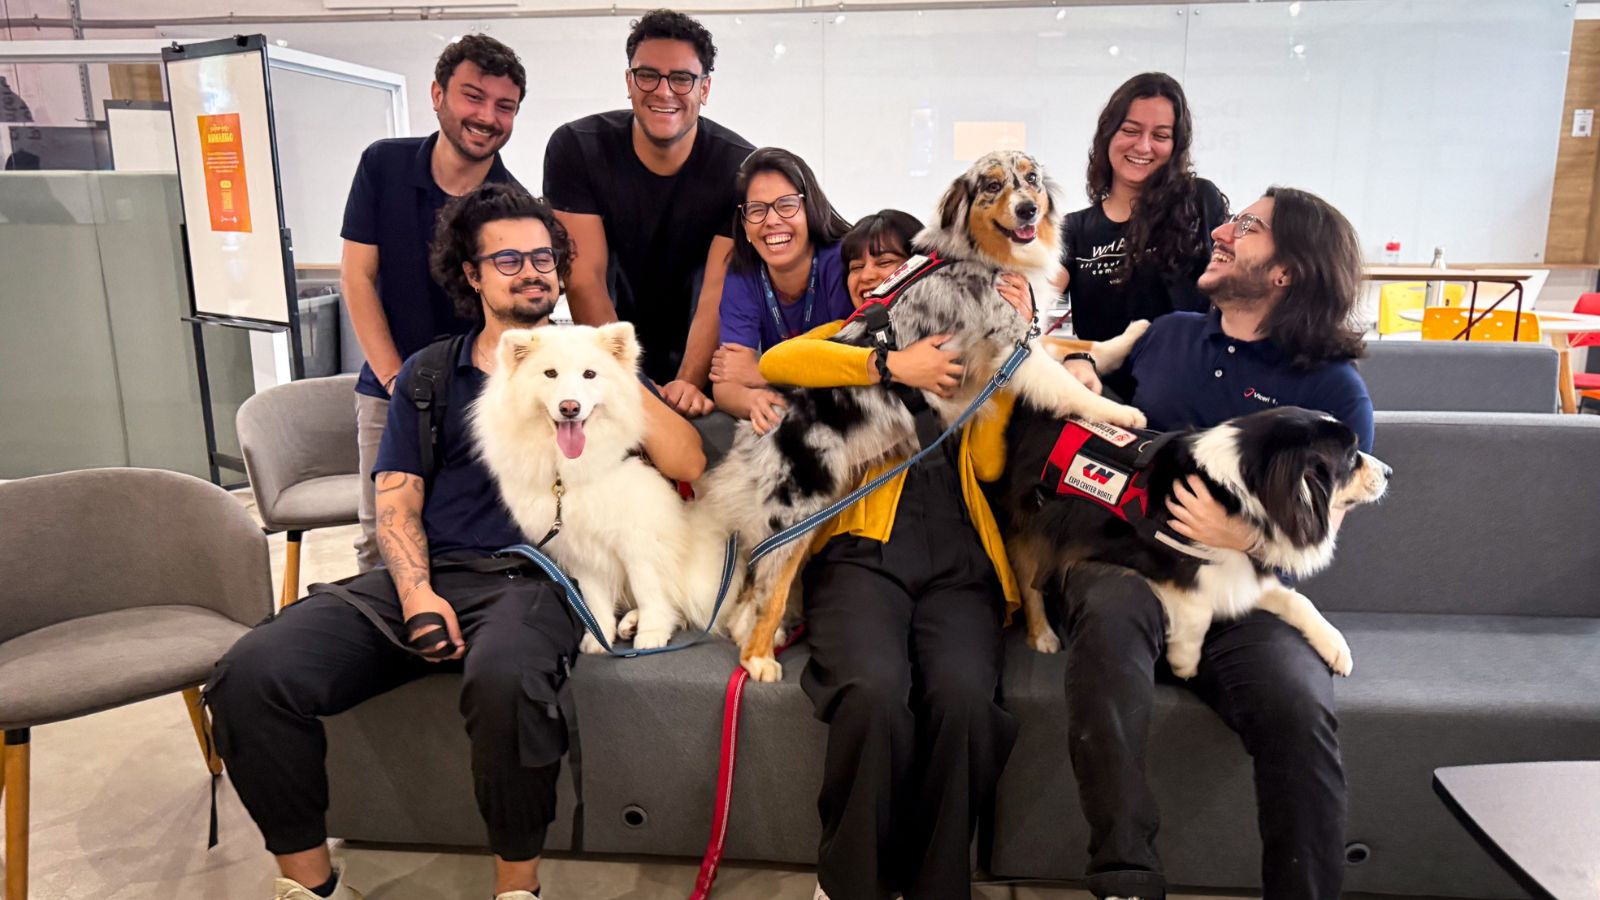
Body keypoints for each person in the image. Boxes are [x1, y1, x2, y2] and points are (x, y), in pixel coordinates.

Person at [208, 184, 706, 900]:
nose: (530, 271)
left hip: (534, 581)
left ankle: (516, 889)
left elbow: (688, 461)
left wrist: (616, 375)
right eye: (508, 259)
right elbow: (397, 503)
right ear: (470, 273)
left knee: (507, 681)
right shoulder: (429, 376)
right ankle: (307, 886)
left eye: (544, 257)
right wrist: (416, 593)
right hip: (429, 570)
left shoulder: (589, 359)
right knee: (250, 673)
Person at [1054, 186, 1373, 900]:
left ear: (1286, 271)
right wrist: (1080, 369)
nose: (1221, 231)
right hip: (1125, 563)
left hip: (1240, 593)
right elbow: (1085, 390)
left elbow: (1326, 529)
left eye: (1248, 227)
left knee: (1298, 706)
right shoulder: (1168, 334)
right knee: (1106, 623)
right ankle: (1126, 881)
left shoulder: (1334, 390)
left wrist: (1237, 534)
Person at [752, 243, 1044, 899]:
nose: (874, 274)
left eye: (890, 261)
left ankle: (937, 883)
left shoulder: (963, 339)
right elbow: (778, 360)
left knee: (965, 698)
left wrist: (1014, 334)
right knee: (872, 690)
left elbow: (994, 465)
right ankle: (850, 880)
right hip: (861, 549)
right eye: (858, 264)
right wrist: (891, 363)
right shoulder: (846, 342)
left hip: (961, 554)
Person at [341, 34, 526, 571]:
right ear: (437, 94)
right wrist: (398, 380)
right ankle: (383, 647)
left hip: (476, 394)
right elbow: (357, 276)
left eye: (504, 106)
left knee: (469, 536)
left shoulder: (512, 204)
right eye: (473, 96)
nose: (487, 116)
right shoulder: (384, 165)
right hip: (388, 385)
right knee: (383, 541)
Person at [543, 8, 754, 415]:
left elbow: (716, 292)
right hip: (607, 363)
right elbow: (584, 278)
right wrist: (631, 382)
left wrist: (685, 385)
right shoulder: (577, 148)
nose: (663, 90)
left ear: (704, 89)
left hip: (703, 365)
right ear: (629, 81)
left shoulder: (738, 166)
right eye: (648, 75)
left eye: (682, 78)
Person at [1058, 72, 1228, 393]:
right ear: (1108, 134)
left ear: (1176, 145)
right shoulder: (1073, 229)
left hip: (1190, 396)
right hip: (1104, 399)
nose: (1144, 146)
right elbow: (1031, 298)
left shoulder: (1200, 202)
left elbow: (1235, 294)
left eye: (1160, 135)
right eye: (1131, 130)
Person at [709, 148, 853, 430]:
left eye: (786, 205)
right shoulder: (743, 274)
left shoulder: (841, 262)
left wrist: (761, 372)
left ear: (810, 209)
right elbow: (726, 382)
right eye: (757, 210)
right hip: (796, 410)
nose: (772, 220)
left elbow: (851, 369)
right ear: (745, 225)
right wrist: (753, 400)